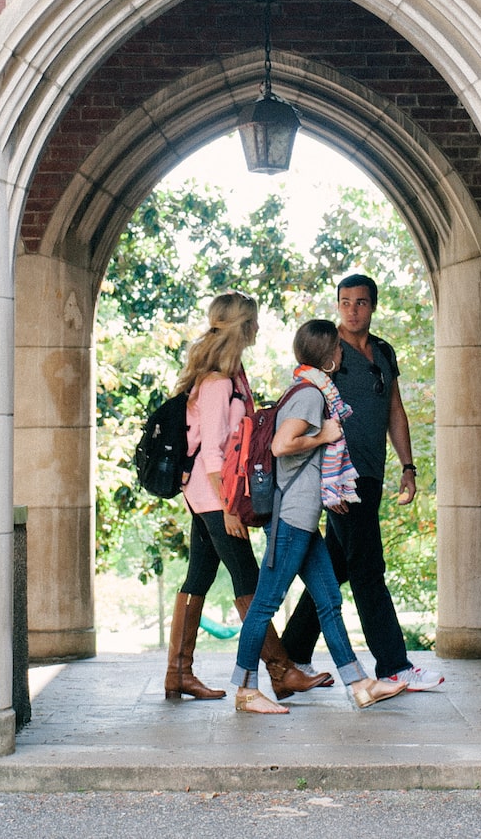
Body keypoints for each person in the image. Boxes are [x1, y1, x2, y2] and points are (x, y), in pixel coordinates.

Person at [229, 319, 408, 714]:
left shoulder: (313, 390)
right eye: (338, 350)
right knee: (264, 605)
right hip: (292, 519)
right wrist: (324, 436)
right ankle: (244, 689)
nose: (343, 354)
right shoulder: (310, 395)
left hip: (305, 521)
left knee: (329, 601)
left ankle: (360, 684)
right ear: (328, 359)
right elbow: (281, 445)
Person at [280, 273, 446, 691]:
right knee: (369, 569)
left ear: (373, 306)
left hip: (370, 474)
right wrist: (327, 484)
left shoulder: (384, 352)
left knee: (333, 569)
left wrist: (408, 467)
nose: (352, 310)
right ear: (338, 305)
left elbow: (395, 410)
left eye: (361, 302)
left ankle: (287, 662)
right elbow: (306, 409)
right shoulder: (327, 352)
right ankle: (394, 665)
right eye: (345, 302)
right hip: (339, 480)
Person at [165, 291, 323, 701]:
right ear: (242, 326)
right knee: (247, 576)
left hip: (204, 493)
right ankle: (281, 670)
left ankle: (178, 673)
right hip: (213, 494)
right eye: (253, 321)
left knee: (199, 575)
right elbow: (214, 454)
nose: (258, 328)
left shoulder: (232, 377)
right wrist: (229, 507)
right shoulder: (218, 383)